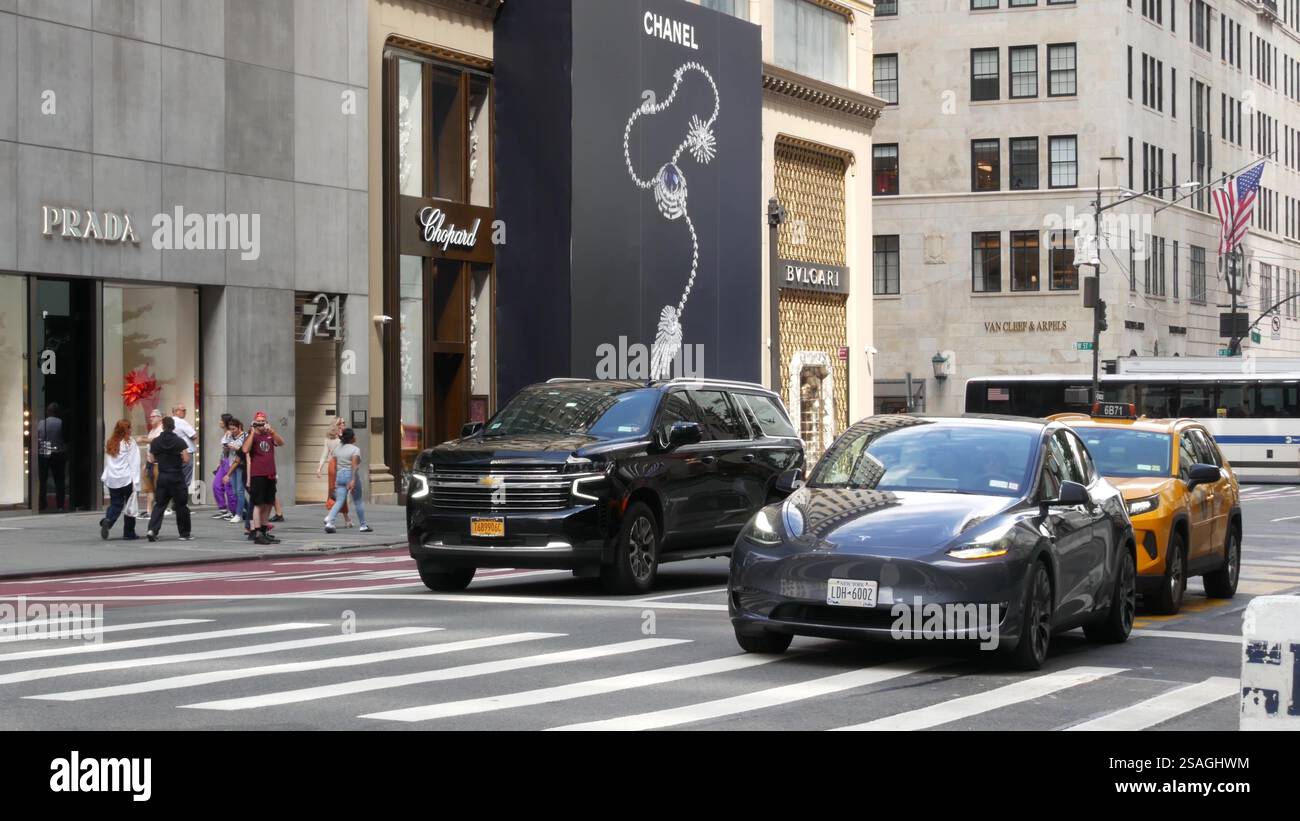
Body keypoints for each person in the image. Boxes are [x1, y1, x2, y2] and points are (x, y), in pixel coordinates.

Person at [146, 416, 192, 542]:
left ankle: (152, 530)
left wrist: (161, 459)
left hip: (162, 476)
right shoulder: (179, 441)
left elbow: (151, 459)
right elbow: (186, 459)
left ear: (163, 426)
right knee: (181, 505)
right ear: (173, 427)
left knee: (159, 504)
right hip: (177, 476)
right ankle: (184, 533)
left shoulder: (155, 441)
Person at [243, 411, 284, 546]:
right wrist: (253, 431)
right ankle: (257, 532)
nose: (260, 424)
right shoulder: (253, 436)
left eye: (263, 422)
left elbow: (281, 442)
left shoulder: (269, 435)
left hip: (270, 474)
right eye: (258, 422)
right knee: (258, 503)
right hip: (258, 474)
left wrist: (272, 431)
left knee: (268, 503)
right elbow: (245, 450)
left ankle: (265, 530)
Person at [325, 428, 371, 534]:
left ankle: (330, 522)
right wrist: (353, 480)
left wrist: (336, 480)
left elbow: (335, 465)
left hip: (340, 475)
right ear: (351, 438)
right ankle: (363, 525)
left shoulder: (337, 449)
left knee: (339, 501)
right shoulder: (355, 449)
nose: (355, 437)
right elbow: (354, 466)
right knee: (358, 501)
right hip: (350, 475)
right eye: (354, 435)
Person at [99, 419, 140, 541]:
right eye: (129, 428)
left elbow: (108, 462)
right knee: (129, 506)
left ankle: (109, 520)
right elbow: (134, 462)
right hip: (126, 478)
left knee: (116, 504)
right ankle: (129, 533)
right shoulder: (129, 443)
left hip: (113, 478)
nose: (131, 430)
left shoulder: (111, 442)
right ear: (126, 430)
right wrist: (136, 482)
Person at [316, 417, 352, 528]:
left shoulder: (329, 438)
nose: (344, 424)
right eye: (342, 423)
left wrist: (319, 468)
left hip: (332, 465)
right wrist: (319, 468)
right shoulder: (342, 438)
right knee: (340, 492)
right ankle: (330, 517)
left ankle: (347, 519)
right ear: (337, 425)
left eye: (344, 423)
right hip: (340, 465)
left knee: (335, 491)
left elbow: (324, 455)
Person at [36, 403, 67, 512]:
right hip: (58, 451)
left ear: (48, 411)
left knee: (42, 479)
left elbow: (38, 437)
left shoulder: (41, 423)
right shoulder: (61, 423)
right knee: (59, 480)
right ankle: (60, 505)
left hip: (45, 449)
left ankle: (42, 504)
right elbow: (64, 437)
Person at [222, 418, 251, 534]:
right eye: (230, 429)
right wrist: (226, 443)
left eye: (234, 429)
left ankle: (238, 514)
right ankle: (249, 510)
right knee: (234, 491)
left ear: (240, 427)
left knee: (239, 491)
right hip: (231, 463)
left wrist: (237, 448)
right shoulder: (230, 436)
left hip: (241, 465)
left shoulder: (245, 436)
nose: (232, 431)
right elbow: (224, 445)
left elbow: (246, 450)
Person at [138, 409, 164, 518]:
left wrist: (143, 439)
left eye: (153, 416)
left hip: (158, 464)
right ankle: (149, 511)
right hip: (150, 463)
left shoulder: (162, 429)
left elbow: (157, 441)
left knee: (158, 488)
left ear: (160, 418)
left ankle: (160, 509)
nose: (151, 418)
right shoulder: (152, 430)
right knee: (149, 488)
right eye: (150, 417)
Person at [169, 402, 197, 496]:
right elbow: (194, 435)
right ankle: (182, 503)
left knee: (176, 478)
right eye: (183, 410)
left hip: (174, 454)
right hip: (187, 453)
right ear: (176, 411)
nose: (185, 412)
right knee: (185, 479)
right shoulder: (181, 421)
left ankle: (176, 502)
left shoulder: (171, 422)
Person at [211, 413, 236, 519]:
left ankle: (233, 511)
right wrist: (219, 461)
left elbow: (230, 448)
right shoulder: (225, 433)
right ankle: (223, 509)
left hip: (230, 461)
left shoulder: (230, 433)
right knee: (216, 484)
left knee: (228, 486)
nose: (219, 422)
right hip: (224, 461)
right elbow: (223, 450)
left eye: (221, 420)